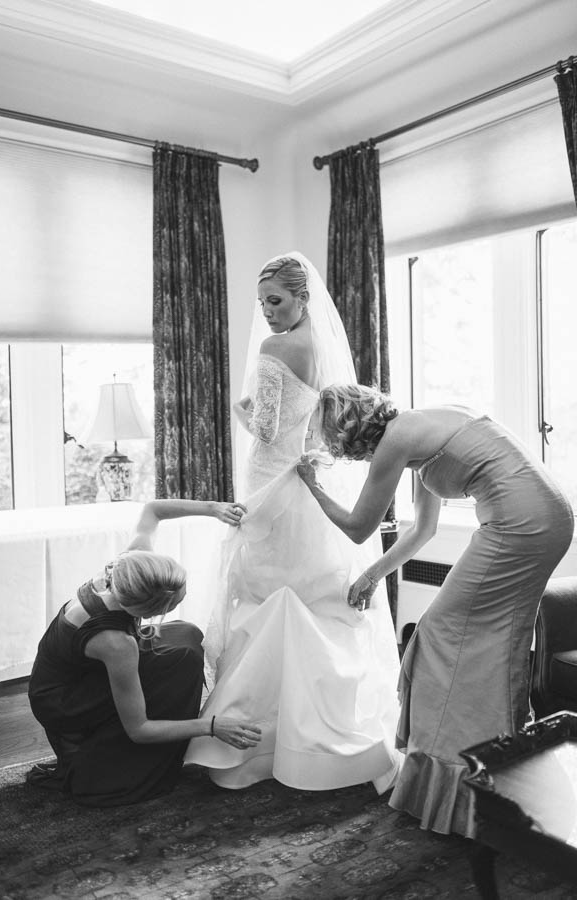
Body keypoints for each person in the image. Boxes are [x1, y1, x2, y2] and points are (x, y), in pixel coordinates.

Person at [296, 384, 574, 836]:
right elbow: (424, 530)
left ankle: (471, 777)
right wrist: (372, 577)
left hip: (520, 524)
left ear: (349, 430)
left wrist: (313, 485)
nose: (341, 452)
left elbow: (357, 527)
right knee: (497, 642)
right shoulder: (421, 429)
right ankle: (504, 767)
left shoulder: (397, 441)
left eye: (333, 441)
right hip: (549, 516)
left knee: (441, 633)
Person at [184, 253, 401, 792]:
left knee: (268, 593)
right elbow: (312, 425)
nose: (269, 313)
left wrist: (240, 408)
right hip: (308, 479)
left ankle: (261, 738)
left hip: (272, 483)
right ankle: (325, 735)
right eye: (263, 304)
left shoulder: (275, 348)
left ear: (303, 299)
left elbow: (263, 427)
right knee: (312, 593)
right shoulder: (322, 349)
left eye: (276, 302)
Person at [27, 498, 261, 807]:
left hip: (78, 672)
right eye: (170, 606)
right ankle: (94, 756)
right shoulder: (115, 643)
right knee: (179, 660)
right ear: (145, 609)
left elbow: (153, 509)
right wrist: (213, 726)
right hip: (63, 701)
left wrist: (213, 509)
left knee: (187, 637)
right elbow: (139, 730)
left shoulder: (130, 568)